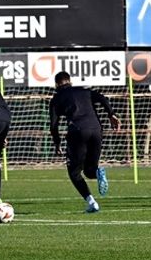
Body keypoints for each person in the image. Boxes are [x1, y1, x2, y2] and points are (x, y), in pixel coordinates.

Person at [49, 71, 121, 213]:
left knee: (74, 172)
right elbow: (102, 98)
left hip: (78, 131)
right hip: (96, 130)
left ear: (56, 84)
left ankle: (92, 202)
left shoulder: (56, 98)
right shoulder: (84, 90)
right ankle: (99, 171)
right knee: (89, 171)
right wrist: (111, 114)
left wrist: (57, 143)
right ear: (70, 81)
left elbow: (53, 124)